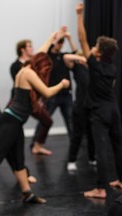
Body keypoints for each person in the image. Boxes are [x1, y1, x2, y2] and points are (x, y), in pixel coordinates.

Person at [0, 52, 70, 204]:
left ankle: (27, 194)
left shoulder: (25, 70)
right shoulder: (29, 72)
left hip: (15, 122)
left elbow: (42, 54)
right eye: (45, 67)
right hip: (10, 121)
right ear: (40, 63)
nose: (45, 71)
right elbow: (47, 92)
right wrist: (63, 84)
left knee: (19, 160)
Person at [76, 2, 122, 198]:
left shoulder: (94, 64)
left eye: (96, 46)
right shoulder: (111, 67)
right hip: (114, 110)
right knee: (118, 146)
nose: (92, 47)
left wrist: (79, 15)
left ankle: (101, 189)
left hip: (100, 112)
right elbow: (109, 88)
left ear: (100, 52)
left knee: (101, 150)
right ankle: (120, 180)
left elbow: (81, 39)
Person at [29, 26, 77, 155]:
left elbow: (76, 56)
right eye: (59, 42)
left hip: (66, 95)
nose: (61, 45)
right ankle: (35, 143)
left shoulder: (64, 56)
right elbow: (42, 52)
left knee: (71, 121)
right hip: (52, 94)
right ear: (54, 43)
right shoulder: (48, 56)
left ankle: (75, 146)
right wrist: (57, 36)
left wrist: (70, 39)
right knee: (45, 119)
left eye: (62, 43)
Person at [63, 53, 95, 171]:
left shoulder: (93, 69)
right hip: (80, 106)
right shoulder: (78, 68)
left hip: (92, 106)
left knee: (92, 134)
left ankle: (92, 158)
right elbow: (66, 57)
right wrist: (80, 58)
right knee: (77, 135)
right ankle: (71, 160)